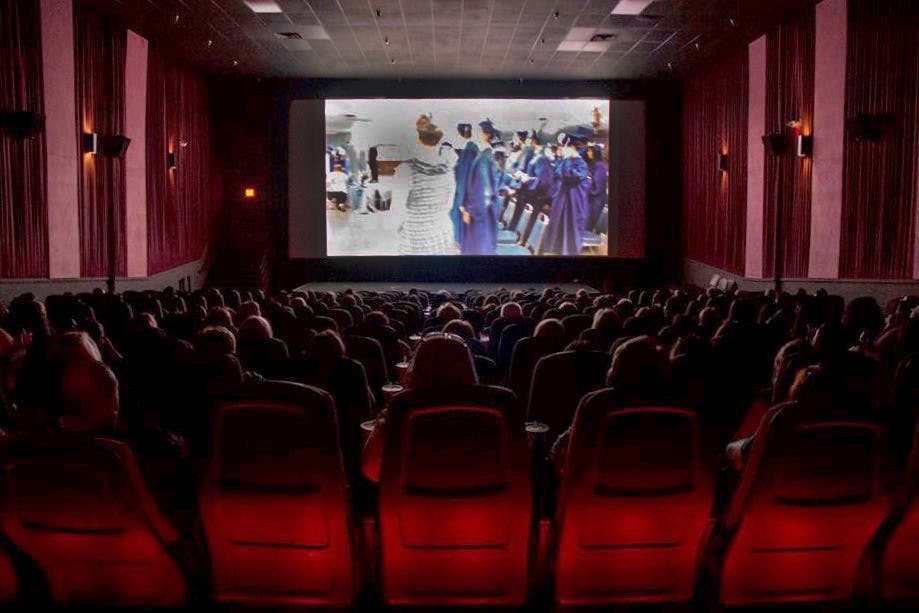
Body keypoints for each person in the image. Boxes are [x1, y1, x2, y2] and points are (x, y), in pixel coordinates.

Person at [388, 115, 456, 255]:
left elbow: (397, 210)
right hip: (441, 231)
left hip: (416, 235)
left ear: (417, 137)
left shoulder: (406, 169)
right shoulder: (449, 168)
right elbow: (449, 203)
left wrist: (399, 228)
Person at [541, 126, 592, 255]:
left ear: (573, 148)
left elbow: (568, 176)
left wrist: (569, 158)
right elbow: (558, 173)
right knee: (559, 233)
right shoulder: (568, 161)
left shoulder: (580, 164)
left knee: (570, 237)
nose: (563, 150)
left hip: (574, 207)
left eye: (566, 147)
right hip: (564, 203)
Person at [459, 119, 501, 255]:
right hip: (479, 209)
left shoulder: (485, 157)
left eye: (477, 132)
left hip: (480, 213)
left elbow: (485, 192)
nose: (473, 135)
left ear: (486, 135)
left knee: (479, 249)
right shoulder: (483, 154)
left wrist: (469, 210)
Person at [450, 123, 479, 245]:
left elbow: (465, 178)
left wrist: (463, 203)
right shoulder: (469, 149)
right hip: (460, 194)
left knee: (461, 231)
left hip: (462, 196)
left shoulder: (469, 151)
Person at [585, 144, 608, 230]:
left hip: (596, 201)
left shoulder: (600, 167)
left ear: (595, 153)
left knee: (590, 224)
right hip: (592, 199)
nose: (588, 153)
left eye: (590, 151)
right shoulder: (593, 165)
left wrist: (588, 192)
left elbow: (598, 188)